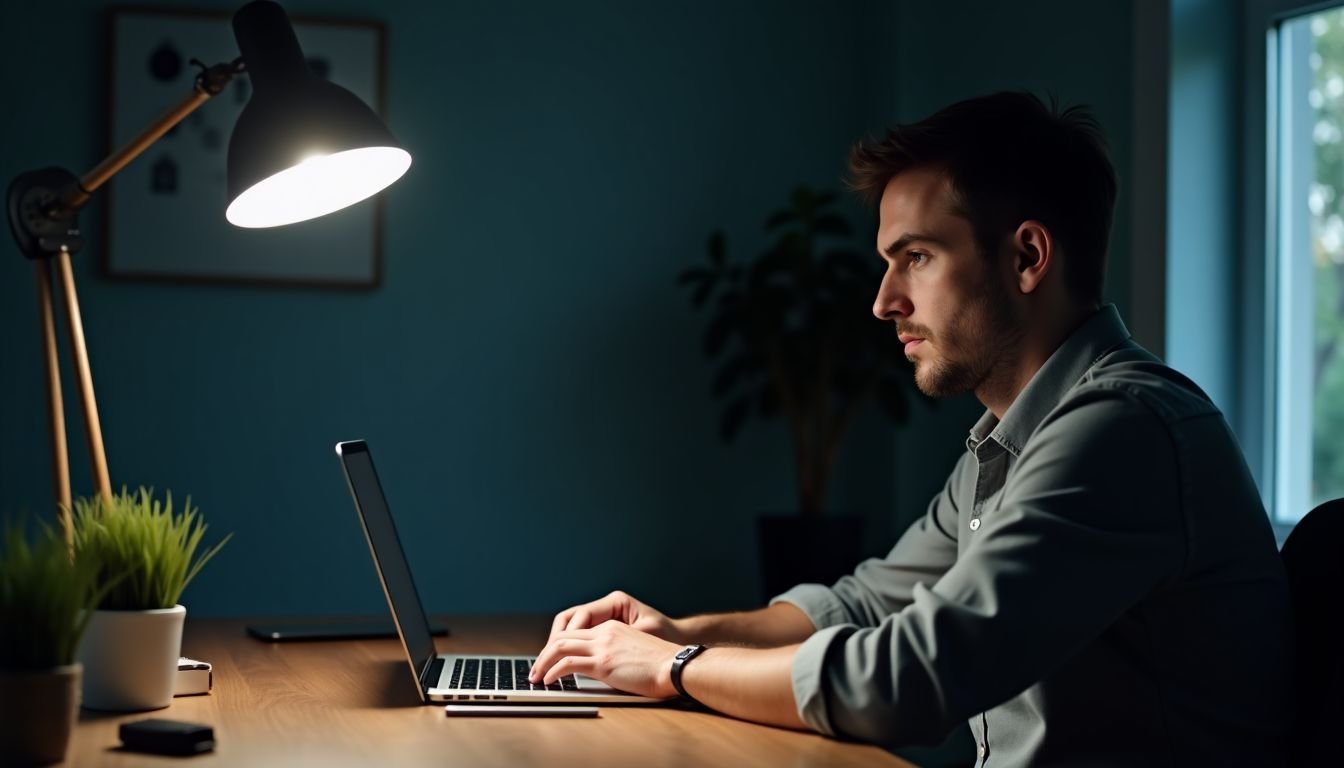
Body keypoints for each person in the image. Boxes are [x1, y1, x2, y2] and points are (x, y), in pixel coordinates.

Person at [528, 92, 1293, 766]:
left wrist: (675, 665)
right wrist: (674, 632)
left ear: (1027, 257)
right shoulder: (1015, 436)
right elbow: (863, 606)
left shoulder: (1122, 431)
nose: (884, 300)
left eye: (916, 257)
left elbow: (911, 677)